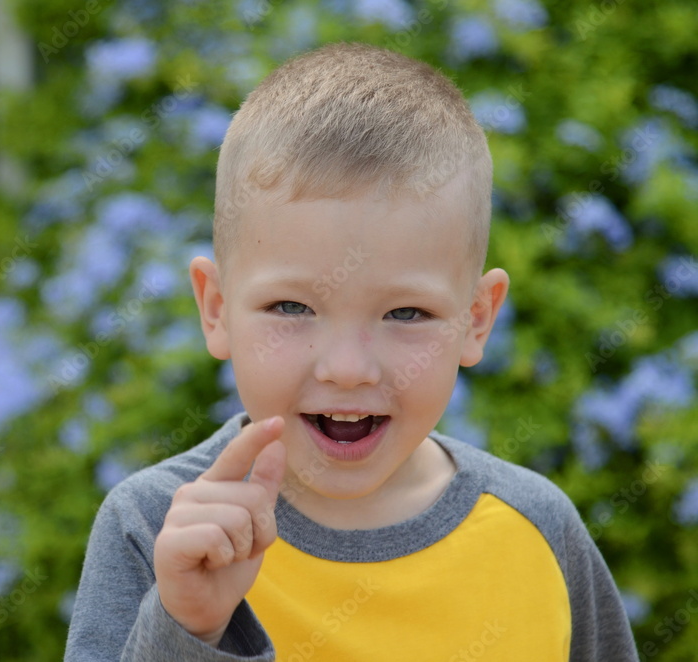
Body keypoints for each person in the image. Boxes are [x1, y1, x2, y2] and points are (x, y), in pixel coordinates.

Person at [64, 41, 639, 661]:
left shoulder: (539, 531)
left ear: (476, 320)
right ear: (216, 308)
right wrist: (189, 628)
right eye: (291, 308)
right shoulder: (158, 531)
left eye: (406, 314)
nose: (347, 369)